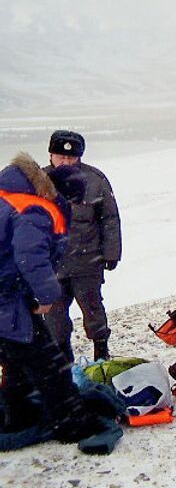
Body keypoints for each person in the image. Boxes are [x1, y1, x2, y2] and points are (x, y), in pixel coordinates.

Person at [0, 152, 103, 443]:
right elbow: (30, 257)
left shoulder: (11, 196)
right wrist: (47, 296)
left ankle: (17, 415)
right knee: (49, 365)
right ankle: (73, 425)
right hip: (6, 300)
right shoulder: (38, 209)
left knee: (16, 359)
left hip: (8, 297)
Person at [43, 130, 122, 362]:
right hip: (51, 267)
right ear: (50, 155)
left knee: (93, 311)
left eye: (71, 157)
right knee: (54, 320)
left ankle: (101, 351)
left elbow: (110, 218)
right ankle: (62, 362)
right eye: (60, 156)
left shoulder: (95, 179)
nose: (65, 161)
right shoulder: (36, 180)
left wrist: (111, 253)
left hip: (87, 261)